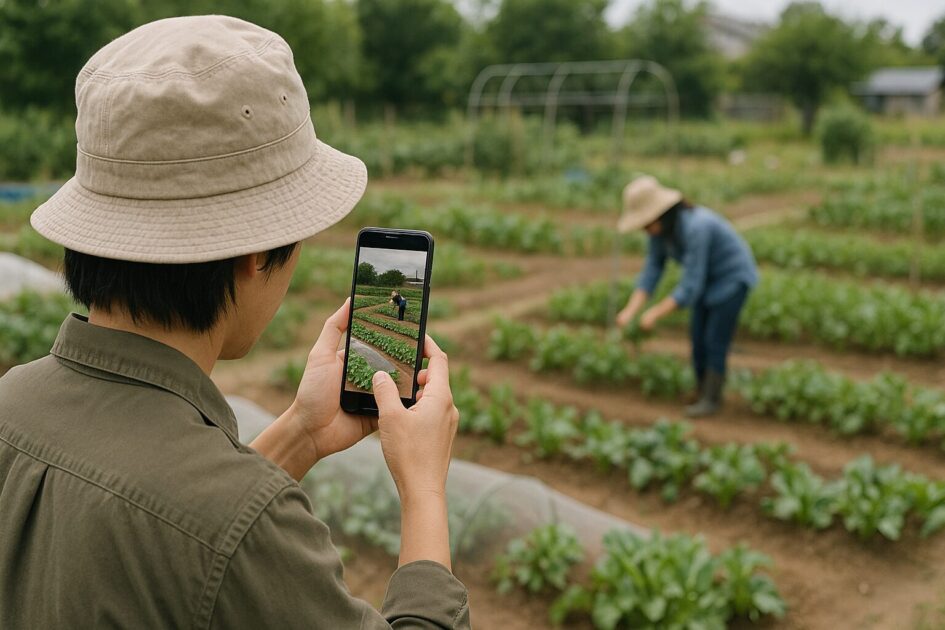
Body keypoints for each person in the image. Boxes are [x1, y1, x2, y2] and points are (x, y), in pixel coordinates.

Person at [0, 16, 468, 629]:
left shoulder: (11, 404)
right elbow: (208, 533)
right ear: (256, 251)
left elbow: (172, 535)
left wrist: (303, 431)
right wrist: (426, 489)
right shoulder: (247, 524)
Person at [615, 175, 758, 417]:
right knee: (697, 336)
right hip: (707, 281)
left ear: (660, 214)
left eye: (646, 223)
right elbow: (652, 270)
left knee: (714, 339)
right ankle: (701, 390)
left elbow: (690, 286)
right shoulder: (660, 234)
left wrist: (655, 313)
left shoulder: (696, 227)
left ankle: (712, 398)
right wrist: (630, 310)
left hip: (732, 279)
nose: (645, 229)